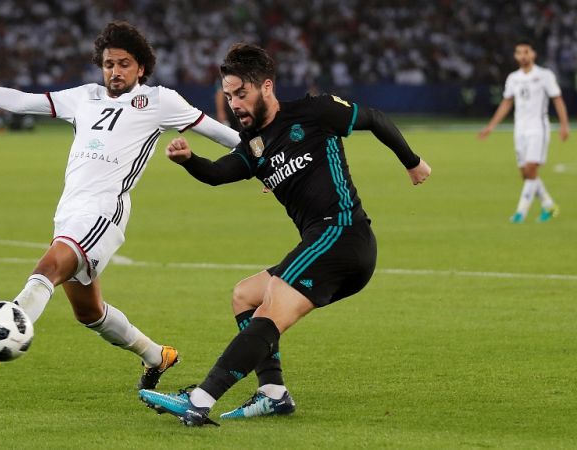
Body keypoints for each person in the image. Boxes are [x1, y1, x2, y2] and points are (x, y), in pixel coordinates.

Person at [0, 22, 240, 388]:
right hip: (69, 209)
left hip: (104, 211)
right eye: (108, 64)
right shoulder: (84, 96)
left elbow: (223, 134)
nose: (115, 72)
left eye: (123, 64)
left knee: (50, 266)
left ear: (141, 68)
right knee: (88, 312)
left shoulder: (160, 101)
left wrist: (264, 162)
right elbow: (24, 102)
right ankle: (157, 356)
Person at [139, 43, 431, 426]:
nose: (234, 104)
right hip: (324, 244)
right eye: (228, 96)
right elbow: (217, 174)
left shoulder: (314, 112)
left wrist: (413, 163)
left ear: (267, 87)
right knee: (246, 295)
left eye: (241, 93)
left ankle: (201, 399)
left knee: (272, 305)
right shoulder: (253, 147)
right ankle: (273, 393)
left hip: (343, 235)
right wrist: (189, 160)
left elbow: (373, 118)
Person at [478, 40, 569, 223]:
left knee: (531, 168)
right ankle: (549, 205)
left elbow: (557, 99)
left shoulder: (544, 75)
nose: (523, 55)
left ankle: (520, 213)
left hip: (538, 127)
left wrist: (564, 125)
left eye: (526, 52)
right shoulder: (513, 78)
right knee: (525, 174)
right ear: (515, 56)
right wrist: (491, 126)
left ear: (533, 54)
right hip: (520, 128)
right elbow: (506, 102)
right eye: (519, 52)